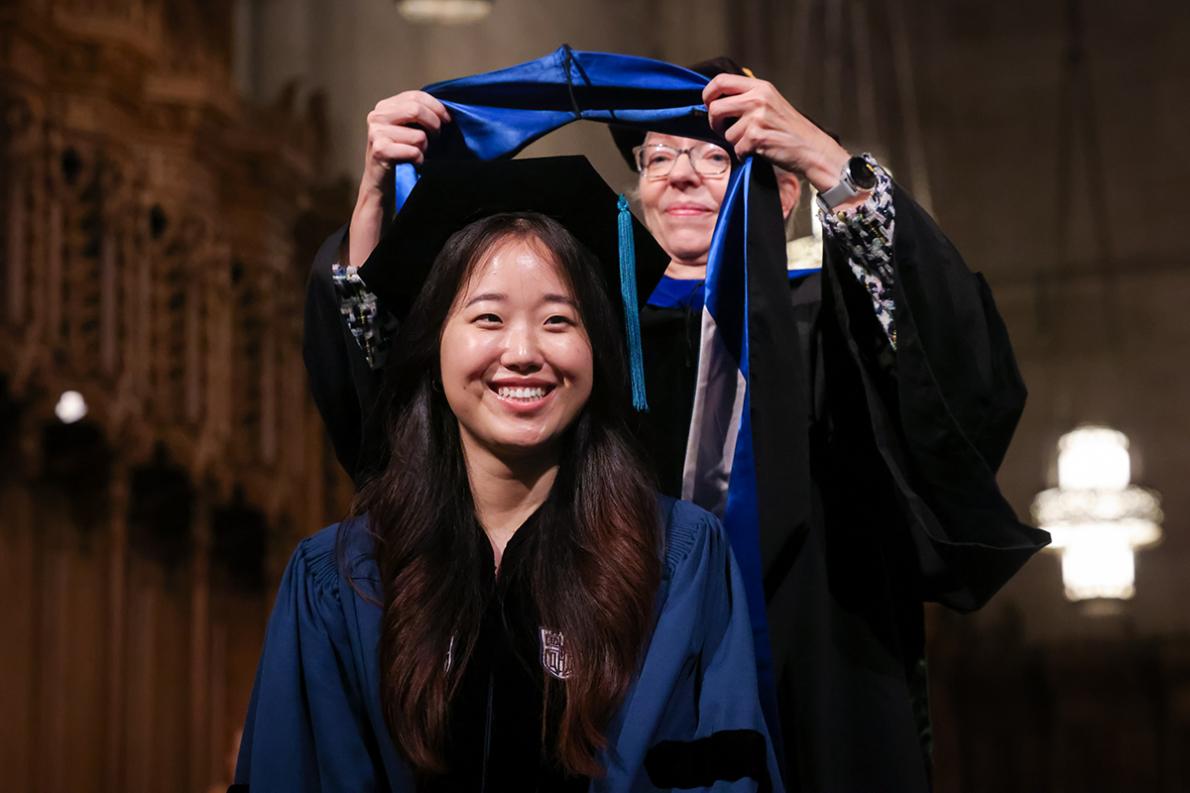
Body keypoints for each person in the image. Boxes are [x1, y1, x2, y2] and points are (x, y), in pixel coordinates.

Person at [302, 54, 1049, 792]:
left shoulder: (828, 320)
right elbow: (399, 404)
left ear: (781, 189)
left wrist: (827, 159)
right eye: (659, 157)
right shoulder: (577, 341)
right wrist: (374, 199)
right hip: (615, 695)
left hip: (815, 668)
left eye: (715, 156)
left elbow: (958, 380)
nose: (682, 174)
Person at [236, 156, 782, 792]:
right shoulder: (343, 577)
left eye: (558, 320)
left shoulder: (676, 557)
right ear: (433, 344)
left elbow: (717, 772)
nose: (523, 354)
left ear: (598, 349)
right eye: (488, 318)